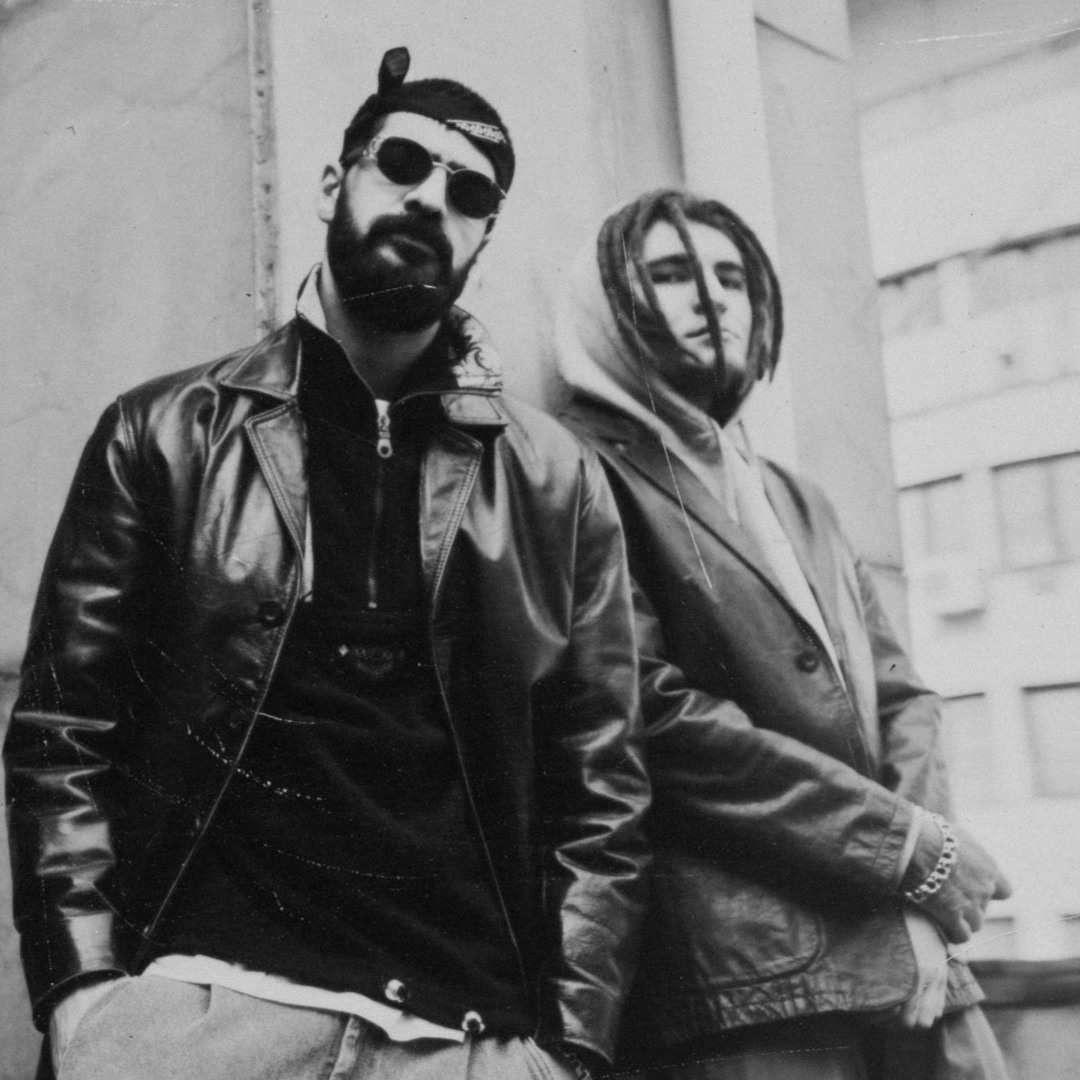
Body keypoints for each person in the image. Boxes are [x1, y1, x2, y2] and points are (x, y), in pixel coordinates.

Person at [4, 48, 650, 1080]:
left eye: (469, 192)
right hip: (201, 1018)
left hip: (464, 1039)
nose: (429, 198)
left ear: (484, 238)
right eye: (403, 162)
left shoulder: (554, 482)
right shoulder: (165, 433)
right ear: (329, 184)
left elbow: (601, 786)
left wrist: (570, 1050)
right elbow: (62, 732)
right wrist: (84, 996)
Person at [555, 188, 1012, 1080]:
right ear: (607, 305)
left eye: (732, 278)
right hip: (752, 981)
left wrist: (923, 873)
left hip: (911, 961)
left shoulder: (799, 498)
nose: (713, 298)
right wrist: (906, 852)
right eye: (673, 273)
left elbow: (904, 697)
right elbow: (653, 713)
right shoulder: (576, 469)